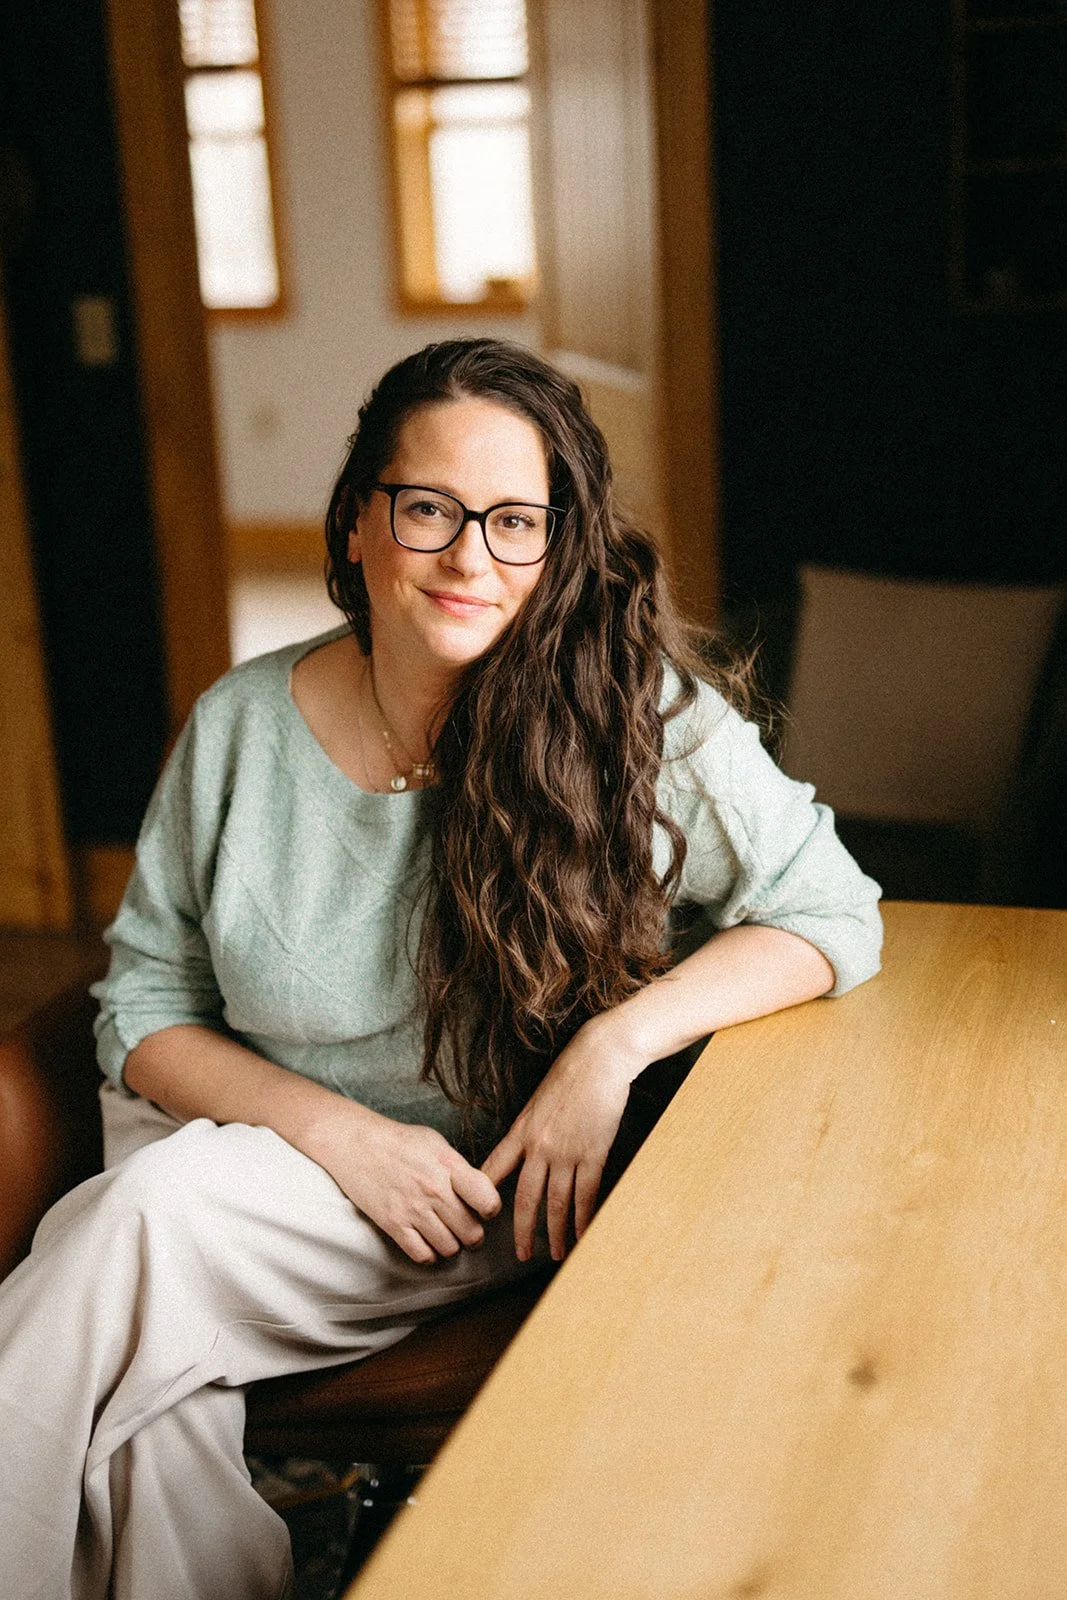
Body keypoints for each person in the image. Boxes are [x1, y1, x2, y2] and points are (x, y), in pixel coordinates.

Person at [0, 338, 882, 1599]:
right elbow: (142, 1006)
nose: (470, 556)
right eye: (429, 509)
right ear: (360, 523)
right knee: (150, 1407)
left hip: (461, 1201)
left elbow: (829, 911)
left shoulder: (630, 719)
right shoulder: (241, 725)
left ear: (556, 544)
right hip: (239, 1143)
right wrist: (333, 1133)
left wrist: (610, 1045)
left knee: (126, 1229)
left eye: (513, 520)